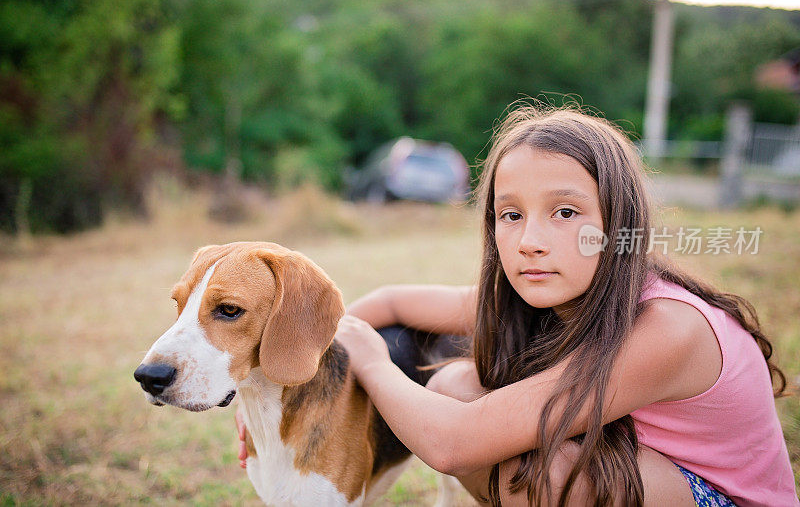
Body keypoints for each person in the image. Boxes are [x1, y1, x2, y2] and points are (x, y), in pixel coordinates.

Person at [236, 106, 797, 506]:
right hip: (646, 470)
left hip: (714, 496)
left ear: (618, 224)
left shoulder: (669, 327)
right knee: (454, 387)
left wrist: (373, 360)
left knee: (545, 474)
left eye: (566, 213)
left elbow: (453, 445)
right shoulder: (543, 290)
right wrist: (298, 375)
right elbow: (391, 301)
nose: (530, 239)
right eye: (511, 214)